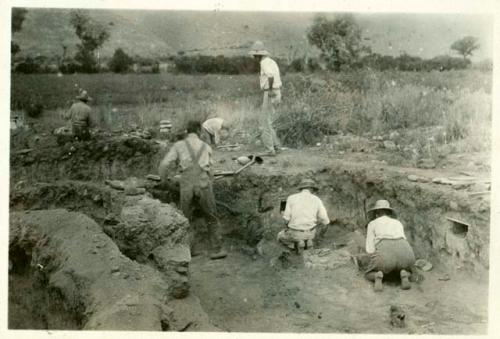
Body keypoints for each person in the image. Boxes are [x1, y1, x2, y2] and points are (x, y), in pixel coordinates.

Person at [158, 120, 227, 260]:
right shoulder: (206, 146)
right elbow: (211, 171)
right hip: (203, 183)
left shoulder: (179, 145)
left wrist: (164, 181)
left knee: (185, 218)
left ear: (187, 132)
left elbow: (164, 165)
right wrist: (208, 186)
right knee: (211, 217)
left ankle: (189, 250)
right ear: (199, 132)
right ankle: (216, 250)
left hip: (187, 184)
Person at [364, 200, 416, 292]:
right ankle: (405, 274)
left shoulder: (372, 224)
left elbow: (370, 249)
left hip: (386, 251)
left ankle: (377, 276)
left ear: (377, 213)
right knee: (404, 268)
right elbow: (404, 239)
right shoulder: (397, 222)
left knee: (368, 273)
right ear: (389, 212)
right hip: (405, 250)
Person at [277, 178, 330, 252]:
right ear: (311, 189)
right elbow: (326, 221)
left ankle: (297, 243)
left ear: (301, 188)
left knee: (280, 236)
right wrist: (319, 237)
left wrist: (284, 218)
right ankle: (309, 241)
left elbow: (286, 220)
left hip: (295, 233)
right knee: (312, 230)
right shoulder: (317, 199)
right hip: (311, 233)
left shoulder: (291, 198)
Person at [248, 40, 282, 156]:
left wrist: (271, 89)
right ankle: (276, 146)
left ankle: (270, 150)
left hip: (270, 92)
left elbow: (271, 76)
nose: (254, 58)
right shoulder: (271, 61)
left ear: (257, 55)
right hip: (277, 92)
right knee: (269, 121)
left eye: (254, 56)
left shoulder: (263, 63)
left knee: (265, 122)